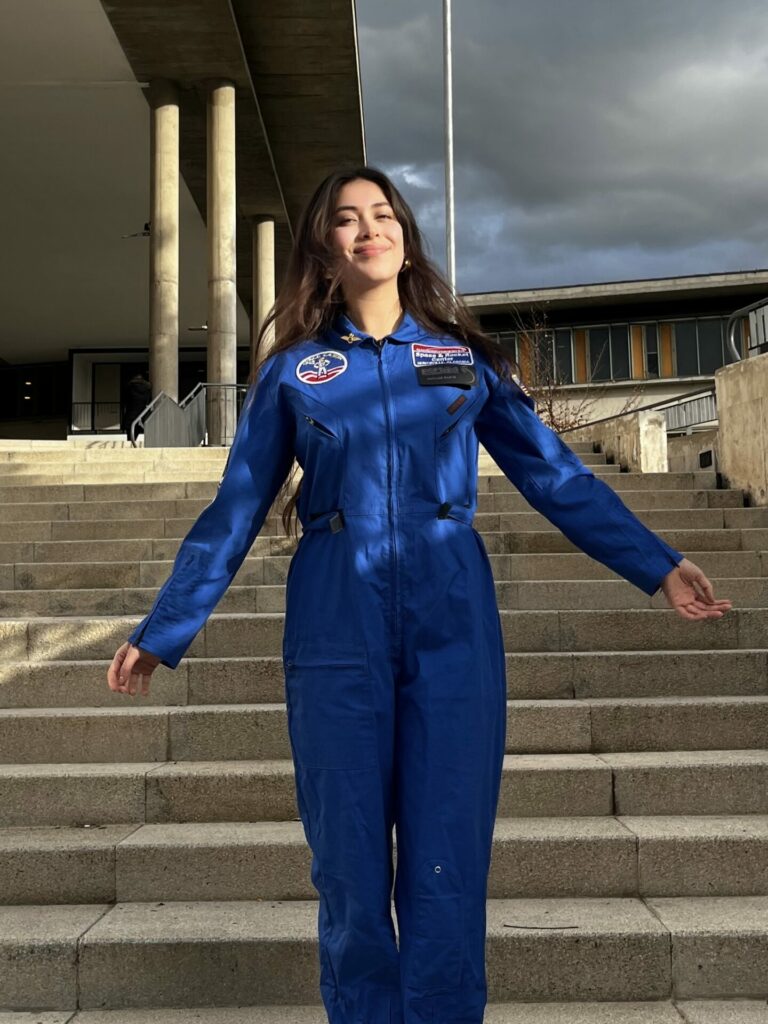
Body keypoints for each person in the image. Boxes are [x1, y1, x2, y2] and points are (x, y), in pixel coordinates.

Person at [107, 165, 732, 1023]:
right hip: (335, 619)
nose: (369, 229)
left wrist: (657, 563)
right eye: (346, 220)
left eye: (383, 215)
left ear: (404, 237)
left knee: (446, 865)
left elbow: (556, 477)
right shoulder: (296, 371)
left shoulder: (462, 361)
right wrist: (165, 626)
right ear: (325, 249)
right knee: (352, 869)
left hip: (451, 617)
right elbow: (236, 508)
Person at [121, 370, 152, 446]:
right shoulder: (147, 388)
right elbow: (148, 399)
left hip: (132, 410)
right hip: (142, 410)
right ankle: (136, 438)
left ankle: (131, 441)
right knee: (138, 425)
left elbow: (126, 399)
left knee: (130, 427)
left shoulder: (130, 386)